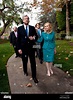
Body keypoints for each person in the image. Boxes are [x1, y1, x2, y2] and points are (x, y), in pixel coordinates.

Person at [17, 15, 38, 83]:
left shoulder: (32, 28)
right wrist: (19, 48)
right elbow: (18, 39)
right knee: (24, 61)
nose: (26, 20)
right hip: (23, 48)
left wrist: (33, 38)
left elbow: (36, 36)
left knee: (33, 62)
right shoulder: (19, 28)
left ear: (29, 20)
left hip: (31, 48)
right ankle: (25, 71)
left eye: (27, 19)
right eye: (25, 19)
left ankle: (34, 76)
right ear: (23, 20)